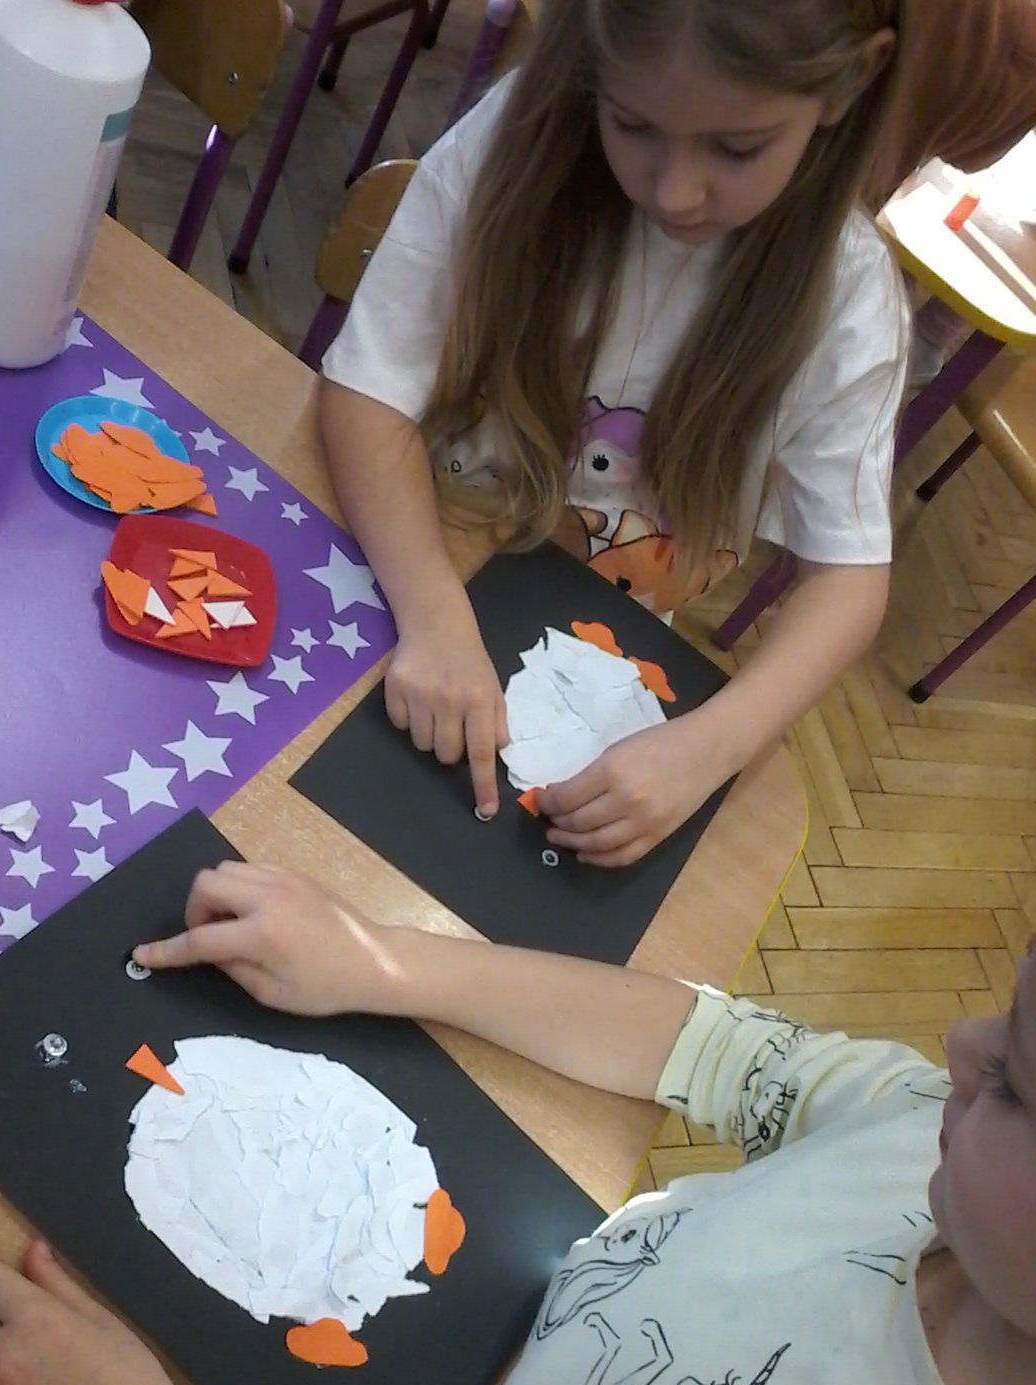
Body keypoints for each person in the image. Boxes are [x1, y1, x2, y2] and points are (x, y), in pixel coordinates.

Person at [0, 861, 1036, 1385]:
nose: (960, 1042)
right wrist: (386, 961)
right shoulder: (913, 1133)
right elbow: (719, 1049)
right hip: (468, 1353)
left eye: (1018, 1083)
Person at [319, 0, 913, 865]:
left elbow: (849, 582)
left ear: (852, 81)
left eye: (735, 148)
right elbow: (365, 392)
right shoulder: (518, 141)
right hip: (402, 544)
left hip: (600, 636)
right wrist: (435, 613)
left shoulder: (847, 303)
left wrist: (707, 748)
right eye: (632, 124)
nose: (673, 190)